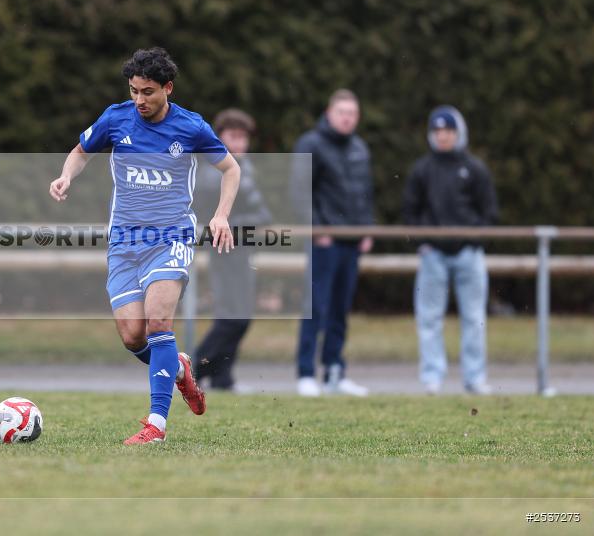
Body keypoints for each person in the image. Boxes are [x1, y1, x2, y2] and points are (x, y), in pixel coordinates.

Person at [49, 48, 241, 444]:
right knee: (133, 335)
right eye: (134, 90)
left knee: (157, 322)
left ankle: (157, 425)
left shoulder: (191, 127)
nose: (139, 100)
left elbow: (230, 169)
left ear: (167, 88)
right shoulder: (116, 118)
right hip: (123, 240)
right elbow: (81, 152)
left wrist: (221, 215)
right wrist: (67, 175)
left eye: (148, 91)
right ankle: (180, 370)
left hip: (171, 236)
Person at [404, 105, 498, 395]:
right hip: (433, 256)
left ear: (460, 133)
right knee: (429, 318)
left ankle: (475, 377)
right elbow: (411, 210)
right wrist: (424, 242)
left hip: (468, 255)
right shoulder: (422, 170)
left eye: (448, 131)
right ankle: (432, 377)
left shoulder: (474, 169)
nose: (443, 137)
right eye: (438, 131)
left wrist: (475, 242)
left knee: (474, 318)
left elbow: (489, 211)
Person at [291, 89, 373, 397]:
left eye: (352, 113)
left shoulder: (360, 148)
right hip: (323, 241)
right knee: (315, 306)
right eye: (342, 112)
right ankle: (306, 372)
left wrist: (367, 230)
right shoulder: (310, 144)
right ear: (329, 113)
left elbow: (364, 193)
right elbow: (300, 192)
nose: (347, 118)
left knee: (340, 308)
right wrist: (316, 229)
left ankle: (335, 371)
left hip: (351, 242)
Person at [192, 109, 273, 391]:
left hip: (242, 248)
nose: (239, 143)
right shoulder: (212, 173)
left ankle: (222, 378)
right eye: (233, 137)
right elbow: (211, 214)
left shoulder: (245, 167)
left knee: (238, 317)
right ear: (221, 137)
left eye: (243, 138)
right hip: (225, 250)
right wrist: (249, 221)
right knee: (232, 317)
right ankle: (192, 371)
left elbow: (260, 213)